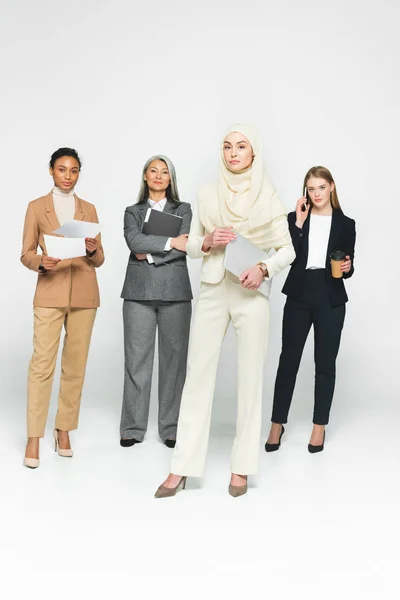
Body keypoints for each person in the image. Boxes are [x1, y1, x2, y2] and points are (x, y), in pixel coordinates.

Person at [155, 124, 295, 498]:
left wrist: (263, 268)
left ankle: (242, 467)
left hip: (252, 293)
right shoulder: (206, 193)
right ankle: (181, 467)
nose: (233, 153)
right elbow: (191, 243)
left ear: (254, 153)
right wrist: (208, 241)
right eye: (227, 147)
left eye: (241, 146)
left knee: (250, 381)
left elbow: (287, 249)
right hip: (215, 288)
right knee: (197, 376)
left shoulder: (268, 195)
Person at [21, 147, 104, 468]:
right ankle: (33, 436)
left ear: (78, 173)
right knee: (42, 365)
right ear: (51, 171)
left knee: (75, 366)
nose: (67, 176)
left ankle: (64, 429)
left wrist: (94, 249)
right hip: (50, 291)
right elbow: (26, 252)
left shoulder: (89, 208)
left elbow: (99, 259)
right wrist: (41, 261)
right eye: (61, 169)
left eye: (73, 171)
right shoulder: (36, 208)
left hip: (84, 293)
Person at [265, 166, 356, 454]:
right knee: (288, 360)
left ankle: (320, 427)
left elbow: (348, 266)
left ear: (331, 187)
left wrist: (348, 267)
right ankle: (277, 423)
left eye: (321, 187)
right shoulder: (296, 219)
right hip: (300, 292)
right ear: (306, 191)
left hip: (330, 296)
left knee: (325, 364)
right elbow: (287, 254)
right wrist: (300, 224)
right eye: (311, 188)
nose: (316, 194)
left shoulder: (346, 223)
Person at [120, 155, 192, 448]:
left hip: (176, 292)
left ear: (171, 178)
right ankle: (133, 428)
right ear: (145, 176)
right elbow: (133, 242)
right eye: (154, 171)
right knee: (136, 361)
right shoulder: (133, 211)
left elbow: (186, 244)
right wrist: (169, 242)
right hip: (138, 293)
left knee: (174, 364)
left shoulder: (183, 209)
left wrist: (150, 252)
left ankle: (171, 427)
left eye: (165, 172)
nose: (159, 176)